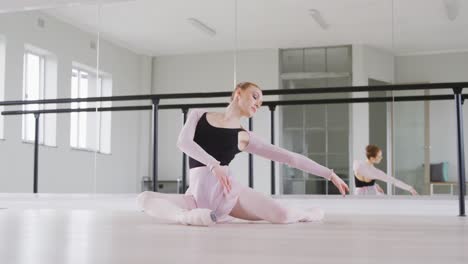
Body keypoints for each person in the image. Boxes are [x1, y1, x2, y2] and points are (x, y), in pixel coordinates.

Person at [137, 82, 349, 226]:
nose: (258, 103)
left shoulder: (245, 136)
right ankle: (185, 217)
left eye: (260, 103)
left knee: (282, 215)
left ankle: (308, 213)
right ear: (238, 92)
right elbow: (183, 142)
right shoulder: (198, 115)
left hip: (228, 195)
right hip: (195, 197)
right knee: (144, 198)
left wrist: (329, 174)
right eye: (254, 96)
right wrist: (213, 164)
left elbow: (290, 157)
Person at [353, 144, 418, 196]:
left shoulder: (356, 164)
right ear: (372, 158)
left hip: (358, 195)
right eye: (379, 156)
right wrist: (410, 188)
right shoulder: (375, 172)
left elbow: (364, 180)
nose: (381, 158)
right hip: (372, 196)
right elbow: (394, 181)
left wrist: (375, 185)